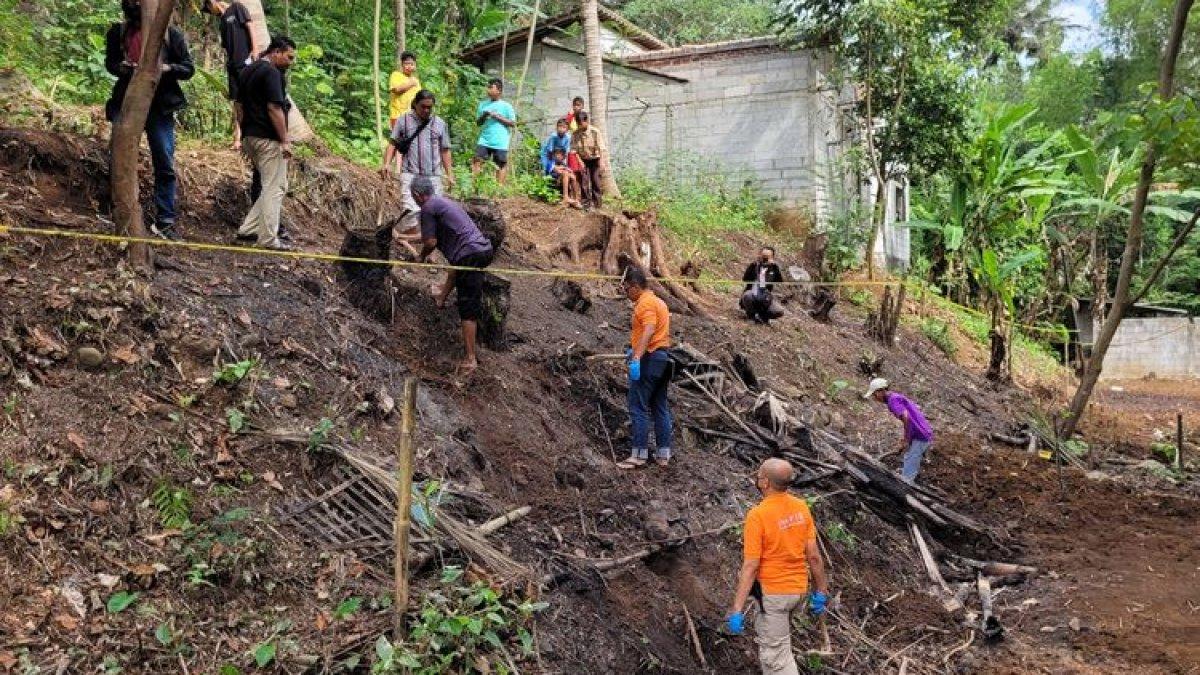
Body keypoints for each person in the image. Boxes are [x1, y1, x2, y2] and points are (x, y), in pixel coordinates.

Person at [726, 458, 830, 675]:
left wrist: (737, 609)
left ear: (765, 482)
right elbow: (814, 557)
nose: (757, 479)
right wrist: (821, 591)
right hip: (798, 591)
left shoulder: (758, 515)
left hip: (773, 596)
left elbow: (751, 566)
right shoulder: (801, 507)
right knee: (781, 646)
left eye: (759, 476)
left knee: (776, 659)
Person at [105, 0, 195, 241]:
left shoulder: (171, 35)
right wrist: (124, 68)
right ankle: (118, 210)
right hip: (127, 102)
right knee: (119, 158)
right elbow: (111, 64)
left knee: (164, 160)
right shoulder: (119, 33)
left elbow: (188, 68)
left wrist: (166, 68)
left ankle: (165, 220)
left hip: (160, 106)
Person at [411, 177, 495, 373]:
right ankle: (441, 297)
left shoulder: (427, 208)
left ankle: (470, 359)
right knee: (455, 268)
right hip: (481, 249)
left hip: (469, 255)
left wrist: (421, 256)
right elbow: (428, 236)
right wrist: (403, 237)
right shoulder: (442, 202)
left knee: (467, 306)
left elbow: (430, 242)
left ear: (417, 195)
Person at [236, 36, 297, 251]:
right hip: (267, 138)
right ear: (276, 52)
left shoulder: (248, 70)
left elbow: (238, 105)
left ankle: (248, 229)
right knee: (276, 187)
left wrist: (244, 132)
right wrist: (285, 140)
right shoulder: (271, 72)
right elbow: (274, 108)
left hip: (250, 136)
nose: (290, 62)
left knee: (271, 185)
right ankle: (268, 238)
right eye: (289, 57)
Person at [617, 267, 674, 469]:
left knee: (638, 405)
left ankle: (638, 455)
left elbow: (649, 330)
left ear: (635, 286)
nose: (626, 293)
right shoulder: (660, 302)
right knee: (659, 407)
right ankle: (663, 454)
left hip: (650, 358)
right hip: (663, 359)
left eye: (626, 289)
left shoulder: (645, 303)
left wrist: (637, 357)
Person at [382, 89, 454, 234]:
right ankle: (412, 242)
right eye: (423, 106)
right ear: (415, 104)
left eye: (429, 107)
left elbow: (445, 150)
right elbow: (393, 143)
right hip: (410, 173)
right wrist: (387, 164)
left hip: (433, 175)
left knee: (435, 211)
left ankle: (429, 243)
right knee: (410, 210)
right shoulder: (403, 120)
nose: (426, 110)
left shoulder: (440, 124)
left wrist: (450, 174)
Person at [202, 1, 261, 151]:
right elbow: (226, 46)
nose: (211, 12)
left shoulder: (237, 8)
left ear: (212, 3)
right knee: (237, 102)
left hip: (246, 61)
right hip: (232, 65)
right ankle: (238, 138)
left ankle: (255, 136)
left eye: (208, 8)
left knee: (250, 99)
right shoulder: (222, 21)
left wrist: (255, 50)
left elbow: (250, 26)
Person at [864, 378, 934, 482]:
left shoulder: (892, 401)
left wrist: (906, 439)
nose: (875, 398)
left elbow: (906, 417)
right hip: (920, 431)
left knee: (910, 459)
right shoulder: (895, 397)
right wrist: (907, 439)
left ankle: (906, 485)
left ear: (880, 391)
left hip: (921, 434)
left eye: (874, 395)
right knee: (910, 456)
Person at [472, 78, 517, 184]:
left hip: (500, 142)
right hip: (484, 140)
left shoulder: (506, 106)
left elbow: (512, 123)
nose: (488, 90)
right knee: (477, 161)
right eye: (487, 87)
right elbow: (478, 123)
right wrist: (484, 115)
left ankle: (499, 189)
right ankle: (476, 187)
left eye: (491, 87)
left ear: (499, 90)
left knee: (500, 165)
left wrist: (497, 117)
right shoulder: (483, 104)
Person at [571, 111, 607, 209]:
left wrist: (602, 161)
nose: (580, 126)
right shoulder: (575, 134)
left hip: (595, 159)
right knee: (584, 182)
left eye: (581, 123)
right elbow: (574, 150)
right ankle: (586, 204)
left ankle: (597, 204)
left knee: (595, 181)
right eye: (578, 123)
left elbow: (601, 148)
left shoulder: (595, 132)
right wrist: (580, 162)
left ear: (586, 121)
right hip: (583, 160)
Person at [741, 246, 785, 324]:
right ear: (760, 255)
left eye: (767, 257)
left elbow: (779, 281)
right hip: (752, 294)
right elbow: (745, 279)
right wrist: (753, 266)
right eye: (763, 256)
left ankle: (763, 316)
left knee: (779, 311)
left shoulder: (773, 268)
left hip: (765, 297)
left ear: (772, 257)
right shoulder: (754, 265)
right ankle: (751, 316)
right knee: (748, 295)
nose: (765, 258)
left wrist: (774, 267)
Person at [541, 119, 579, 207]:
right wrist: (553, 167)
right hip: (550, 161)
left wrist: (565, 166)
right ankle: (565, 198)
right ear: (556, 127)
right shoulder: (553, 137)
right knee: (565, 173)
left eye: (564, 127)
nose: (561, 129)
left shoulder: (568, 137)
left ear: (567, 129)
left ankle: (576, 200)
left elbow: (566, 153)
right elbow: (549, 153)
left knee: (572, 176)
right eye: (560, 127)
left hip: (559, 160)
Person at [388, 51, 421, 135]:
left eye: (412, 64)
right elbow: (397, 90)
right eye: (406, 64)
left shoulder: (416, 81)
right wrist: (411, 83)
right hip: (398, 117)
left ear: (415, 66)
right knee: (398, 141)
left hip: (413, 118)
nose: (409, 66)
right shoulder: (396, 75)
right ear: (402, 65)